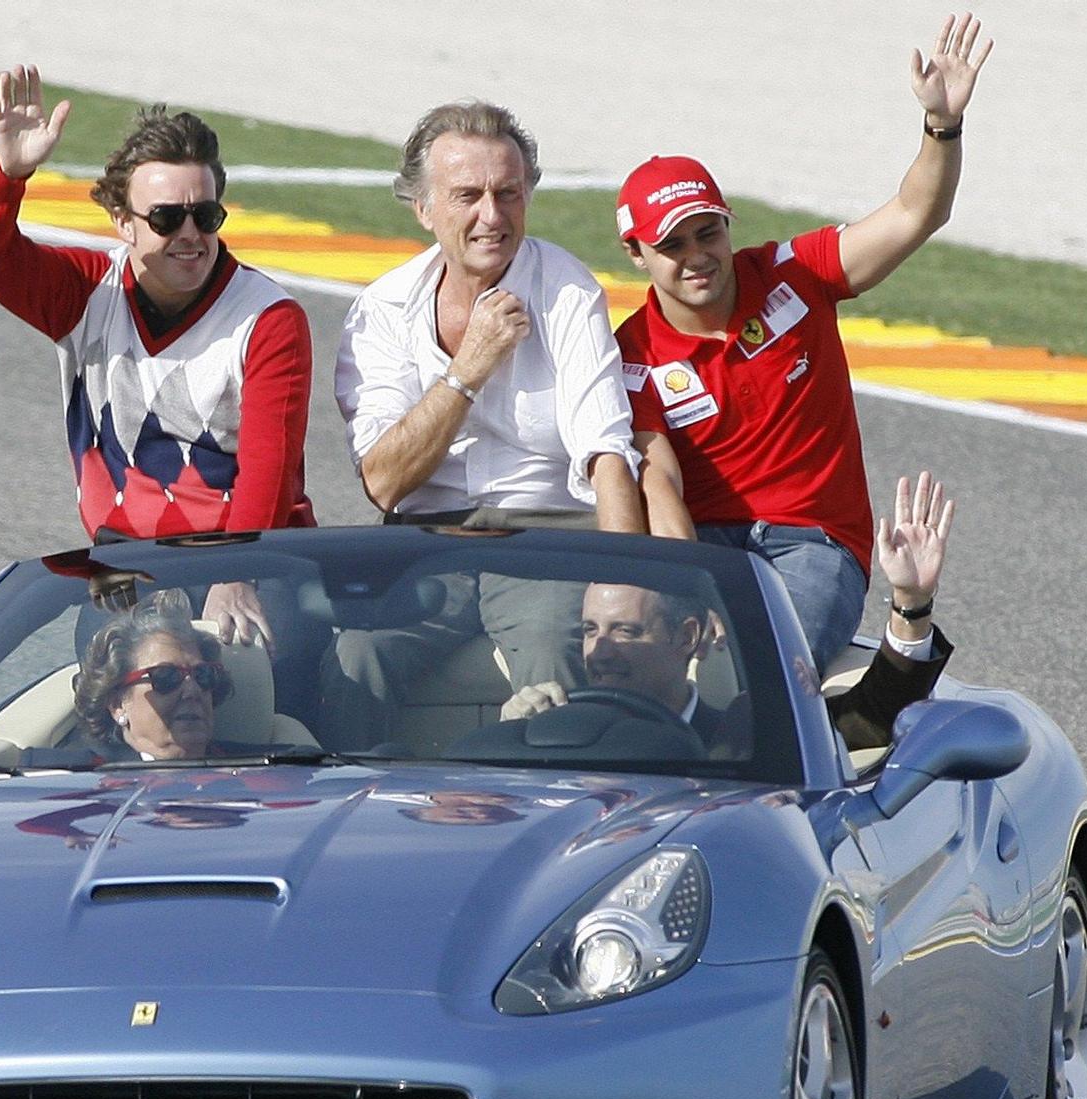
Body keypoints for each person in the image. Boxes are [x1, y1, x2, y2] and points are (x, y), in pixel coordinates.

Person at [611, 14, 993, 667]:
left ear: (728, 226)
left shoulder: (796, 272)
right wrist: (687, 588)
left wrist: (942, 127)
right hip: (702, 542)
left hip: (813, 543)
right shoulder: (633, 355)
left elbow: (915, 213)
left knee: (770, 671)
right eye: (672, 244)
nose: (697, 257)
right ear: (637, 254)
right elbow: (660, 487)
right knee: (640, 664)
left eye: (708, 233)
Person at [321, 100, 646, 747]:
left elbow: (608, 452)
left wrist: (632, 582)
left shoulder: (566, 290)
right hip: (424, 544)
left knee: (557, 657)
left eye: (509, 194)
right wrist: (469, 368)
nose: (491, 216)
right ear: (424, 208)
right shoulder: (383, 308)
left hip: (545, 540)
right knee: (355, 655)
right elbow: (383, 481)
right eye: (468, 195)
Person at [0, 64, 313, 646]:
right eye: (168, 219)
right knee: (103, 703)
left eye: (207, 216)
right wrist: (9, 174)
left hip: (252, 559)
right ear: (123, 221)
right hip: (125, 567)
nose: (191, 234)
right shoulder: (84, 291)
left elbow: (267, 471)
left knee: (261, 680)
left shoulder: (269, 319)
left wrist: (235, 574)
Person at [502, 474, 957, 753]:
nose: (599, 652)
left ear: (685, 637)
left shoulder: (748, 732)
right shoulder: (550, 727)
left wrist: (911, 602)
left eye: (625, 631)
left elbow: (876, 714)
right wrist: (511, 737)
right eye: (589, 631)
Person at [71, 595, 234, 761]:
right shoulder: (82, 776)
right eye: (166, 676)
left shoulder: (255, 770)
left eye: (202, 675)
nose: (192, 690)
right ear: (117, 704)